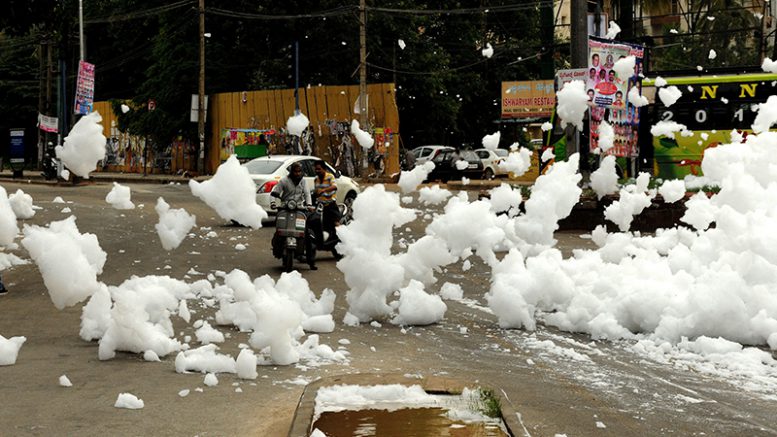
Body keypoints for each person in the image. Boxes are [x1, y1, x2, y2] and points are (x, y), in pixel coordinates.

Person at [270, 162, 317, 270]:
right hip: (285, 208)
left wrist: (309, 205)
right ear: (291, 171)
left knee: (308, 235)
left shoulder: (303, 181)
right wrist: (273, 203)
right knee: (279, 229)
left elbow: (307, 194)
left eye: (299, 171)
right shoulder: (284, 181)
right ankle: (277, 248)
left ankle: (311, 261)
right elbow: (274, 193)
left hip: (300, 209)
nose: (297, 174)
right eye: (295, 171)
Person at [313, 161, 342, 258]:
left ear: (324, 169)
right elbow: (316, 192)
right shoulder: (316, 179)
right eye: (316, 169)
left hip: (331, 206)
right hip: (320, 207)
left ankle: (343, 240)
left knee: (337, 225)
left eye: (319, 169)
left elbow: (335, 186)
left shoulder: (330, 176)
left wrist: (324, 190)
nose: (317, 171)